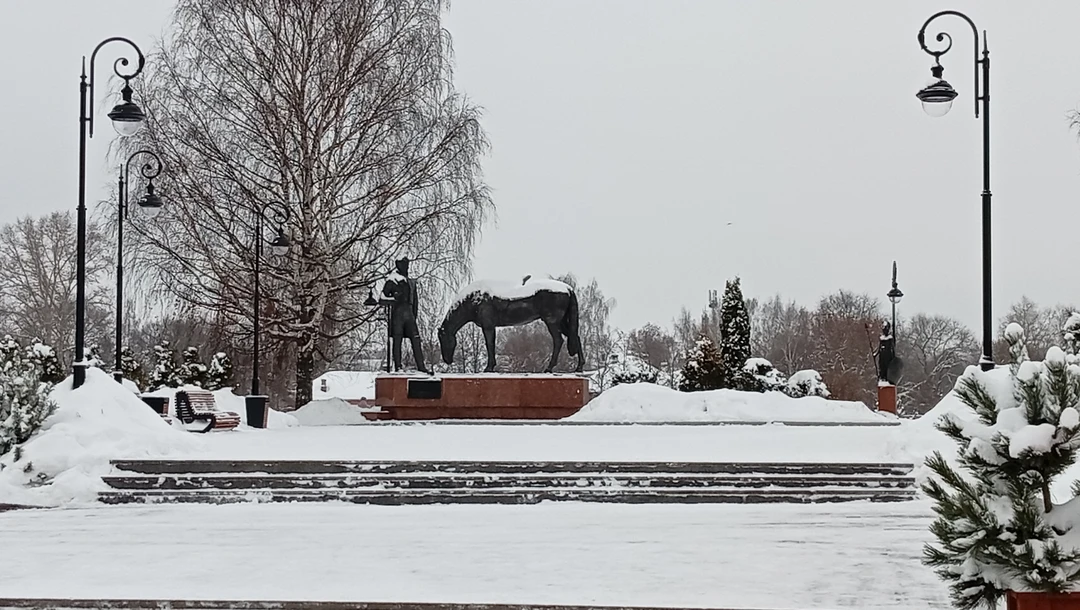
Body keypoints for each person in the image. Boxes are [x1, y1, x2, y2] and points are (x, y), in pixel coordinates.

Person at [382, 257, 428, 373]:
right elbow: (383, 298)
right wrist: (394, 298)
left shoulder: (411, 282)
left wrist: (414, 315)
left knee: (416, 339)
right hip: (398, 313)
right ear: (398, 265)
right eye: (404, 265)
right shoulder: (392, 280)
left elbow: (415, 301)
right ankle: (398, 366)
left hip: (409, 314)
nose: (406, 267)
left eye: (407, 265)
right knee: (397, 339)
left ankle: (421, 367)